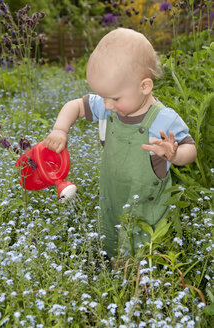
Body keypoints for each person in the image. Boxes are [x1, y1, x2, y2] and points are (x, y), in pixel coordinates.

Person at [45, 28, 197, 259]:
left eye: (114, 98)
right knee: (111, 244)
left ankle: (137, 284)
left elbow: (191, 150)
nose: (106, 105)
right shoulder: (111, 106)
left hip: (145, 208)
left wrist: (174, 155)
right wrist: (60, 129)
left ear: (144, 86)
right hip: (111, 197)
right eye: (103, 97)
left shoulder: (163, 119)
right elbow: (75, 106)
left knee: (139, 255)